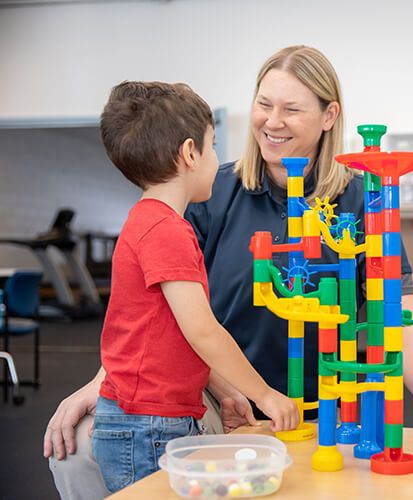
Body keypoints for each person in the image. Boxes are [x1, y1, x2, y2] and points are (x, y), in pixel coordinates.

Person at [45, 46, 413, 500]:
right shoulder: (208, 192)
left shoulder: (360, 199)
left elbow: (399, 304)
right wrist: (106, 387)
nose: (272, 122)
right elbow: (156, 308)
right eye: (264, 104)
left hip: (326, 406)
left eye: (291, 109)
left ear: (329, 116)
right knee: (79, 446)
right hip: (219, 397)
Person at [86, 81, 298, 494]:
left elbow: (172, 332)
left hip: (149, 419)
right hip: (146, 424)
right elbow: (203, 331)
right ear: (189, 153)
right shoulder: (167, 231)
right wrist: (265, 394)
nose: (217, 158)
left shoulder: (149, 221)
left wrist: (226, 390)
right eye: (213, 145)